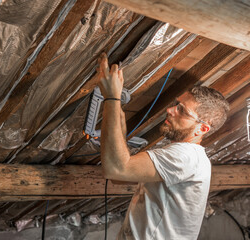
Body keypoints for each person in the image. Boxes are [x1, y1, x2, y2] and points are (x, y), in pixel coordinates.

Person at [97, 52, 229, 240]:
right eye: (177, 104)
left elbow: (116, 169)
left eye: (182, 111)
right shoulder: (191, 157)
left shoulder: (184, 156)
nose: (170, 110)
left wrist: (112, 98)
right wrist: (114, 104)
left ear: (202, 128)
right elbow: (122, 177)